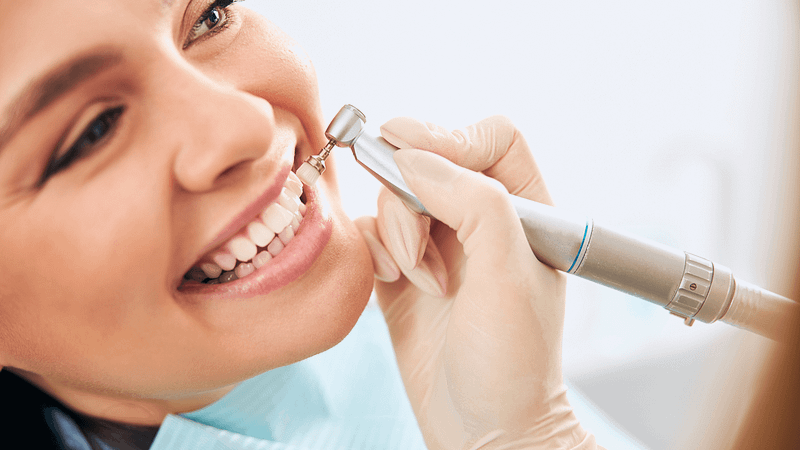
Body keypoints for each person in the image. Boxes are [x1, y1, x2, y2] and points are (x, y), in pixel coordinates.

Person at [0, 1, 600, 449]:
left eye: (208, 17)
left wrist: (528, 433)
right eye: (92, 134)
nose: (249, 123)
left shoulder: (468, 333)